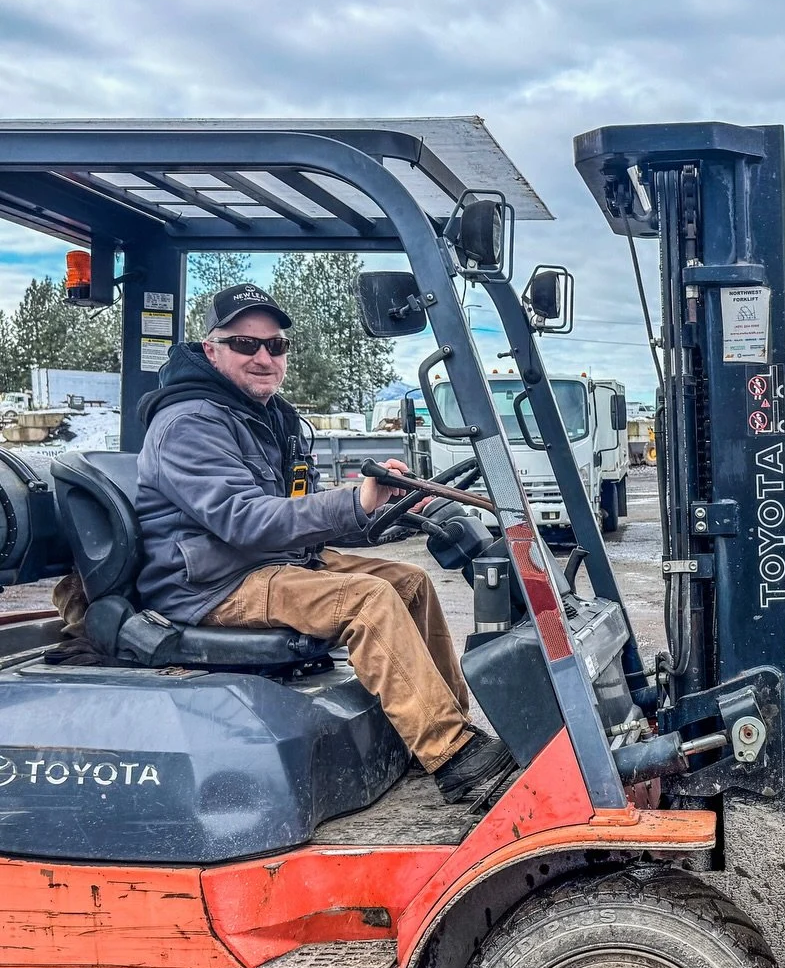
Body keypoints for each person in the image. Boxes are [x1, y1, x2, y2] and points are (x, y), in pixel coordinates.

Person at [134, 283, 511, 804]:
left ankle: (450, 730)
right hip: (211, 582)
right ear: (210, 349)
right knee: (367, 600)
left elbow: (295, 512)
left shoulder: (263, 417)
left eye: (276, 345)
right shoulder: (190, 423)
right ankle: (454, 756)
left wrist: (387, 510)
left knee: (410, 582)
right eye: (246, 344)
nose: (264, 356)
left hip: (263, 562)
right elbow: (244, 520)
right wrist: (351, 502)